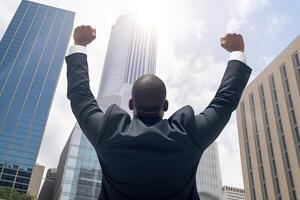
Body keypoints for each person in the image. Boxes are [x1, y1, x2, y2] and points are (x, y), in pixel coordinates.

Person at [66, 25, 251, 200]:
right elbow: (224, 103)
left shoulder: (108, 132)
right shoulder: (188, 134)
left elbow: (80, 97)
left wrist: (79, 45)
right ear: (166, 105)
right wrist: (237, 51)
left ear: (131, 104)